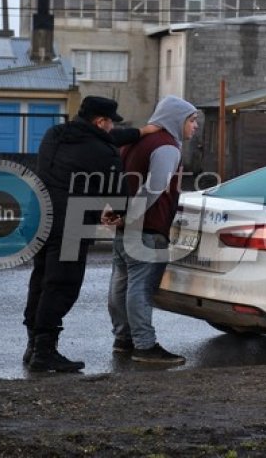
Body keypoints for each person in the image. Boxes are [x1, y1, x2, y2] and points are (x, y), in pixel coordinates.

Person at [23, 95, 158, 373]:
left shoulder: (55, 134)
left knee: (40, 280)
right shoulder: (104, 152)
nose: (113, 128)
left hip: (37, 215)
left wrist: (141, 132)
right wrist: (116, 215)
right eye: (110, 123)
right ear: (100, 121)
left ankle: (33, 345)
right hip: (69, 222)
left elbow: (104, 139)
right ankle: (44, 353)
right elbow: (118, 194)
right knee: (62, 284)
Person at [107, 95, 198, 365]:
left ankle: (123, 339)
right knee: (141, 288)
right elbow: (154, 188)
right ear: (176, 120)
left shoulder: (133, 143)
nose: (195, 126)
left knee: (121, 284)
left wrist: (116, 212)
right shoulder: (166, 147)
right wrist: (132, 216)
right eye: (192, 120)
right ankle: (145, 346)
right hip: (147, 227)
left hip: (126, 227)